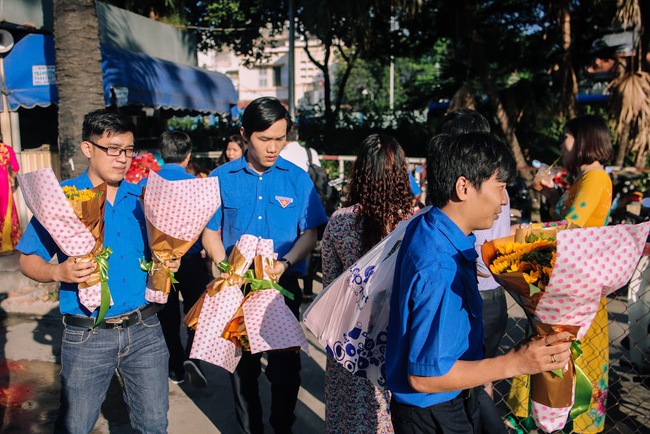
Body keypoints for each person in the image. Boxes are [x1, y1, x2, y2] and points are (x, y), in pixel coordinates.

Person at [386, 132, 574, 434]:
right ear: (463, 187)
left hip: (441, 402)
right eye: (499, 187)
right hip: (434, 410)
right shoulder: (439, 267)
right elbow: (425, 377)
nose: (503, 199)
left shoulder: (430, 223)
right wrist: (515, 363)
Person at [17, 109, 179, 433]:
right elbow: (27, 259)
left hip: (144, 328)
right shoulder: (63, 199)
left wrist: (169, 261)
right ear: (88, 148)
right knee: (75, 425)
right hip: (87, 335)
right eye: (113, 149)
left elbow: (158, 253)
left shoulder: (143, 198)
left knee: (154, 425)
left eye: (129, 150)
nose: (123, 158)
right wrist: (58, 272)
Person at [202, 96, 328, 434]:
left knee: (286, 372)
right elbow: (210, 231)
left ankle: (281, 426)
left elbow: (310, 232)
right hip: (237, 292)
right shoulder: (220, 178)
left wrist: (285, 263)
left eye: (280, 138)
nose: (273, 148)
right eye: (264, 139)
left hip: (279, 291)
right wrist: (223, 264)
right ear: (245, 134)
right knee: (242, 372)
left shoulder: (297, 180)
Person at [515, 114, 613, 433]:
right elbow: (567, 216)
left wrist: (528, 233)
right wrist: (550, 196)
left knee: (571, 359)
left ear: (583, 140)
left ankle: (569, 420)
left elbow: (572, 227)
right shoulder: (582, 179)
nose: (562, 145)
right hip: (570, 282)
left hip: (579, 285)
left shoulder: (596, 178)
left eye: (566, 137)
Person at [321, 133, 414, 433]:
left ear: (358, 172)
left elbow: (329, 285)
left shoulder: (339, 221)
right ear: (401, 173)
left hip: (349, 336)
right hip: (398, 335)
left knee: (348, 414)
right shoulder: (413, 223)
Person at [433, 109, 510, 433]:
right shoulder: (488, 185)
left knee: (472, 387)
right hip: (492, 294)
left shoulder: (480, 189)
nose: (504, 200)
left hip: (477, 295)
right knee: (479, 383)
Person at [139, 130, 211, 388]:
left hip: (159, 261)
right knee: (197, 311)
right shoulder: (198, 185)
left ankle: (175, 366)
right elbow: (209, 228)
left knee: (166, 315)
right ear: (188, 155)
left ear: (160, 154)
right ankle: (194, 355)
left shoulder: (148, 184)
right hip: (190, 260)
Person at [0, 133, 21, 254]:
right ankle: (8, 244)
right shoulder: (7, 149)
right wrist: (12, 178)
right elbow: (16, 168)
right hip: (3, 183)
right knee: (6, 212)